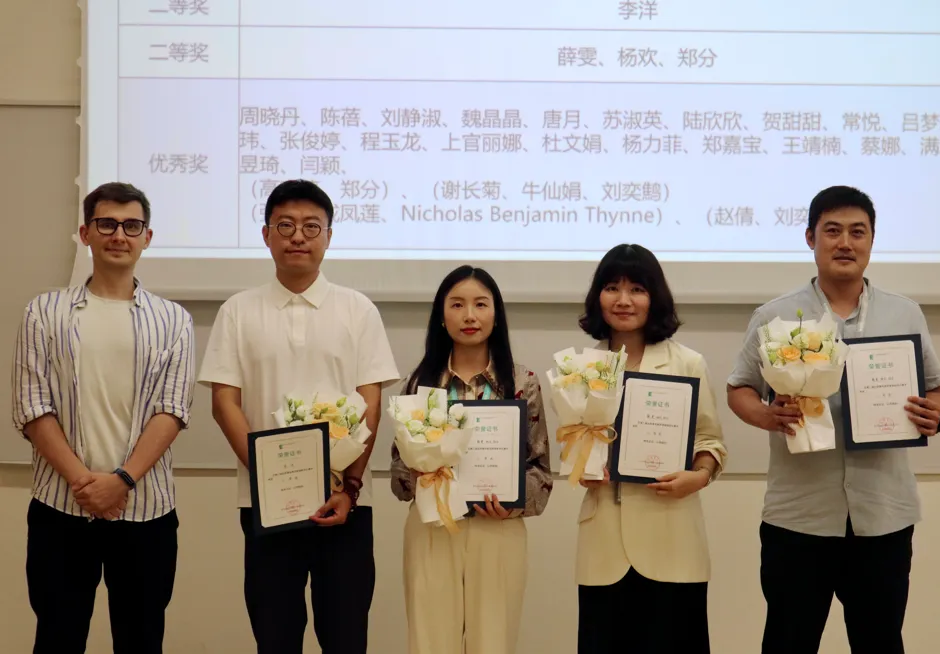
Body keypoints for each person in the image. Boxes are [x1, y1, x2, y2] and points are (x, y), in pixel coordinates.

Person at [726, 185, 940, 654]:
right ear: (810, 238)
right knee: (788, 642)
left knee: (880, 643)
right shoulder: (774, 316)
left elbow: (937, 389)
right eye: (832, 231)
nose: (845, 243)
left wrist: (935, 413)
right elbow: (739, 388)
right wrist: (768, 416)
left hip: (883, 517)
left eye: (857, 232)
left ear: (871, 240)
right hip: (799, 517)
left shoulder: (904, 313)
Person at [197, 179, 399, 653]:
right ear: (266, 235)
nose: (298, 237)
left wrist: (349, 488)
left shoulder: (358, 309)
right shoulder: (237, 311)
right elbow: (224, 402)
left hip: (346, 506)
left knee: (345, 638)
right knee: (276, 637)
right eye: (285, 225)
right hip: (267, 506)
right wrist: (268, 478)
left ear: (329, 236)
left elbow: (370, 403)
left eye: (311, 226)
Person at [11, 182, 194, 654]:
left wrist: (121, 481)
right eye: (107, 224)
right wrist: (85, 484)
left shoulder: (174, 320)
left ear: (147, 238)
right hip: (60, 509)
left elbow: (172, 410)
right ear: (85, 233)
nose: (119, 235)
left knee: (142, 641)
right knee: (57, 638)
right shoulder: (43, 312)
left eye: (131, 226)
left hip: (146, 510)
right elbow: (32, 407)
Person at [390, 265, 553, 654]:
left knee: (492, 644)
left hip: (498, 530)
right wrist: (419, 473)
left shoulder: (522, 382)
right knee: (430, 644)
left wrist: (513, 503)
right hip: (431, 528)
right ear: (441, 315)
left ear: (496, 315)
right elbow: (398, 474)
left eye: (481, 304)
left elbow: (541, 471)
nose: (469, 316)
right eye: (457, 304)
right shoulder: (418, 383)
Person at [574, 244, 726, 654]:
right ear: (597, 297)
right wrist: (582, 467)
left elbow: (710, 441)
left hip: (672, 539)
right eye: (612, 287)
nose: (623, 300)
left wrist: (699, 476)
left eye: (637, 289)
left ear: (654, 296)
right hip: (604, 547)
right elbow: (575, 441)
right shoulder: (581, 368)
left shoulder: (687, 363)